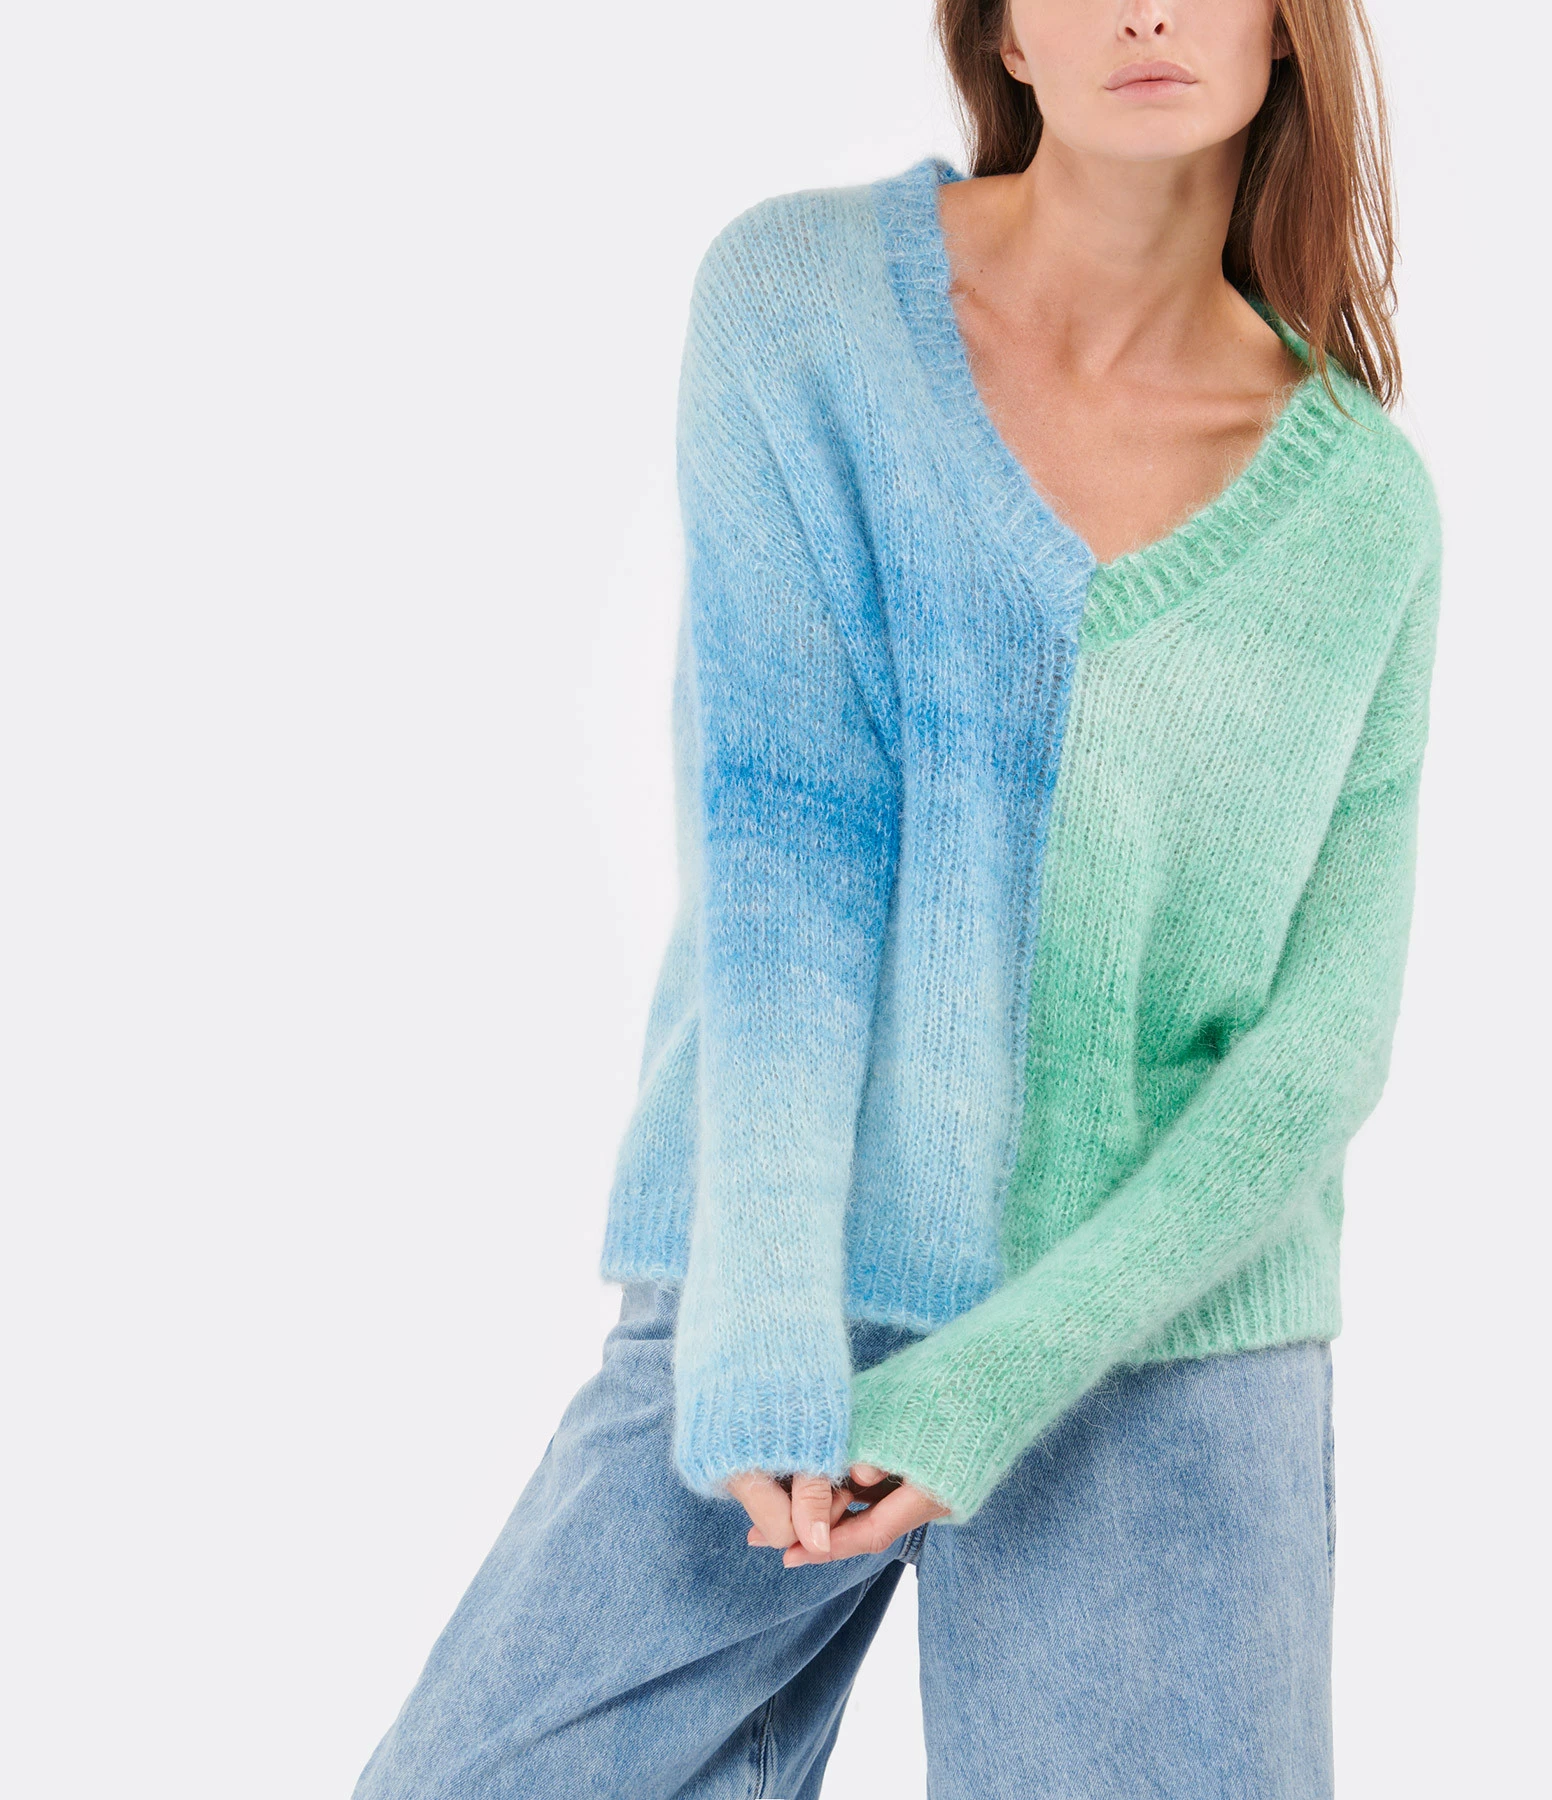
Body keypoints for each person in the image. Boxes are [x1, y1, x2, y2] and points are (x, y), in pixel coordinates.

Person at [353, 0, 1440, 1793]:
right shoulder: (802, 312)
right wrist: (765, 1325)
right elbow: (785, 832)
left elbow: (1319, 1048)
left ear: (1287, 29)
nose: (1146, 8)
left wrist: (1002, 1377)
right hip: (783, 1267)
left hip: (1156, 1339)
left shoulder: (1364, 515)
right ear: (1002, 31)